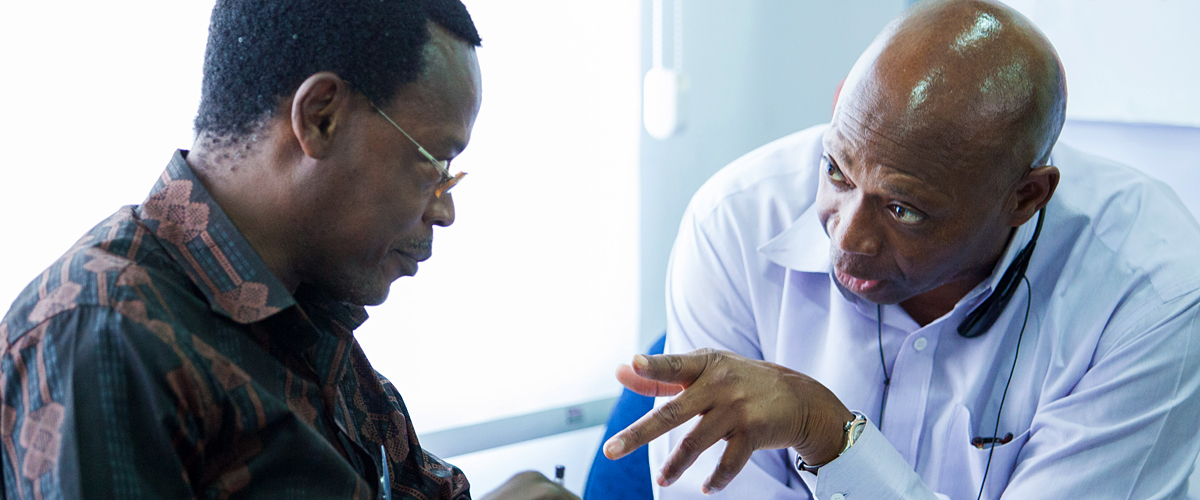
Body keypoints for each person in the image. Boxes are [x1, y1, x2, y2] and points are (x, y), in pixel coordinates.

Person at [602, 0, 1200, 499]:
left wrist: (831, 436)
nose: (847, 239)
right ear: (840, 105)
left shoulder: (1150, 294)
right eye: (836, 172)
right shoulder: (733, 222)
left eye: (903, 209)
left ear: (1025, 197)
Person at [0, 1, 576, 499]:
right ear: (320, 117)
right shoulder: (103, 332)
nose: (444, 210)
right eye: (435, 164)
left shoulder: (305, 316)